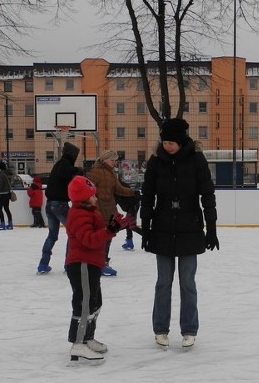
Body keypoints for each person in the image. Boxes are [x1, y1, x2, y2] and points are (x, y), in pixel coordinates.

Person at [140, 118, 218, 349]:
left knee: (187, 283)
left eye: (172, 142)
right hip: (162, 229)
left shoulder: (196, 160)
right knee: (163, 282)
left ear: (182, 141)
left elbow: (208, 195)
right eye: (164, 142)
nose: (168, 146)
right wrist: (146, 227)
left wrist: (211, 229)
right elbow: (147, 195)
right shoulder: (156, 162)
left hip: (190, 229)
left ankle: (189, 329)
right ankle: (161, 328)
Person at [65, 175, 125, 364]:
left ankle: (88, 337)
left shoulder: (90, 211)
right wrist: (109, 231)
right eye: (92, 196)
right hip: (81, 264)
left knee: (95, 302)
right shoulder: (79, 214)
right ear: (83, 198)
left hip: (91, 264)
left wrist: (111, 227)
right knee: (84, 304)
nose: (96, 198)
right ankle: (78, 342)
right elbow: (89, 240)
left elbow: (98, 235)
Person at [86, 149, 135, 276]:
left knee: (109, 236)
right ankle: (98, 263)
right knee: (102, 237)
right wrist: (92, 206)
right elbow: (88, 190)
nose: (114, 162)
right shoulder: (94, 172)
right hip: (99, 209)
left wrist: (133, 192)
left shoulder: (112, 173)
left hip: (111, 209)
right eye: (112, 160)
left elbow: (118, 189)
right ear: (104, 159)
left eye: (115, 160)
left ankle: (102, 262)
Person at [36, 142, 80, 274]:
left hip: (50, 205)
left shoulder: (58, 164)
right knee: (73, 233)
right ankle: (69, 264)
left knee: (52, 235)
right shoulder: (64, 164)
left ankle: (43, 264)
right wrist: (78, 171)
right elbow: (65, 174)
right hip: (60, 204)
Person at [0, 161, 13, 230]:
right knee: (6, 208)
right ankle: (10, 223)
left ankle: (2, 223)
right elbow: (8, 184)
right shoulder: (6, 174)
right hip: (7, 193)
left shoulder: (1, 175)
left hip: (2, 194)